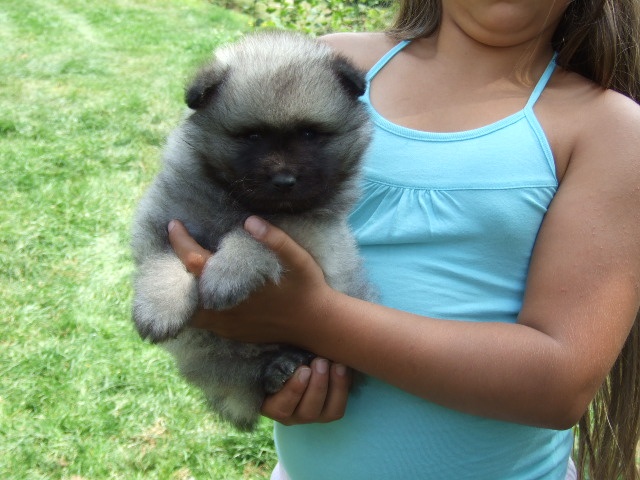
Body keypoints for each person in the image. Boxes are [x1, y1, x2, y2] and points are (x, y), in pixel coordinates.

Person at [167, 0, 640, 478]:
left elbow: (559, 388)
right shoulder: (321, 69)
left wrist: (313, 319)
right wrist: (264, 373)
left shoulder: (609, 127)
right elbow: (202, 230)